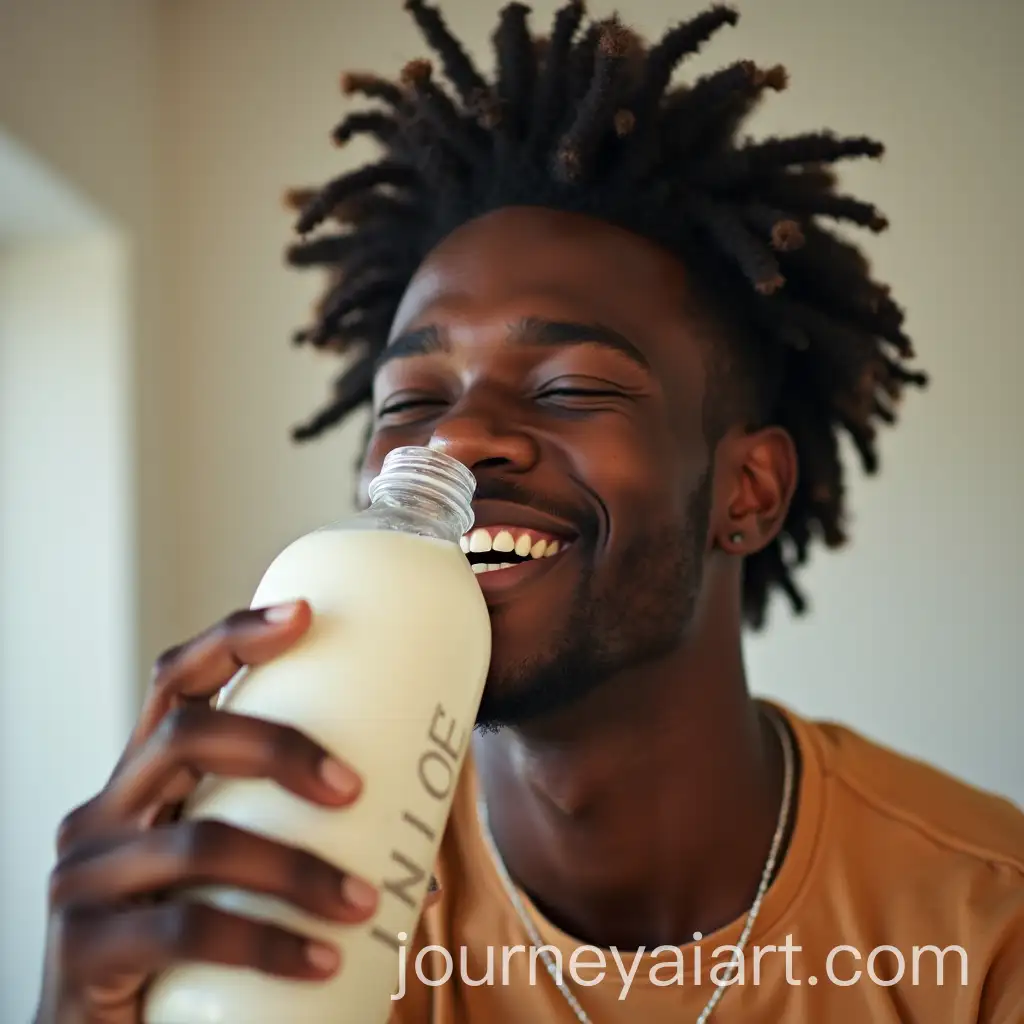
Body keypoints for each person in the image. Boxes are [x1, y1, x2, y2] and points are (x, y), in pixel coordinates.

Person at [34, 2, 1024, 1022]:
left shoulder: (984, 927)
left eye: (567, 388)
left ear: (748, 491)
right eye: (412, 403)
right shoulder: (278, 905)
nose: (453, 441)